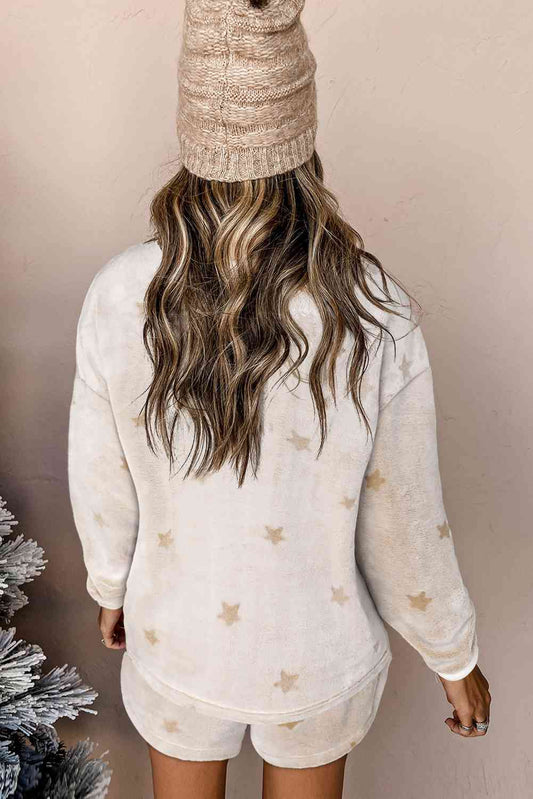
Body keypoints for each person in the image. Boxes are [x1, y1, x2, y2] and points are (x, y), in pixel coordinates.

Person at [67, 0, 491, 797]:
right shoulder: (371, 309)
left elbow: (101, 475)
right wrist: (452, 653)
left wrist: (110, 587)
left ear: (192, 132)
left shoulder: (121, 294)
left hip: (180, 642)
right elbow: (402, 513)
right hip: (318, 657)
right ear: (302, 143)